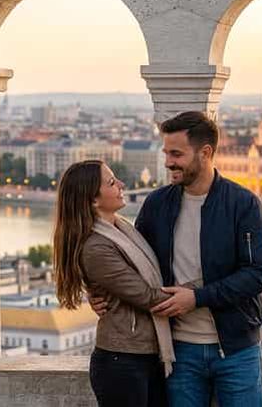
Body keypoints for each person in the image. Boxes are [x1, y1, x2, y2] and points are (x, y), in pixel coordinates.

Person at [137, 111, 262, 407]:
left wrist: (197, 298)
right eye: (166, 153)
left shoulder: (243, 204)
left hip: (236, 349)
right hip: (178, 350)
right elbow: (134, 264)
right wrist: (99, 292)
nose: (168, 162)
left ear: (205, 152)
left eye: (176, 154)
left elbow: (257, 274)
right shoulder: (157, 205)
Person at [53, 159, 174, 407]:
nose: (121, 184)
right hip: (123, 362)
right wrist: (203, 295)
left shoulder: (122, 229)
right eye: (111, 182)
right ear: (93, 200)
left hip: (143, 356)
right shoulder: (96, 247)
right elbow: (147, 296)